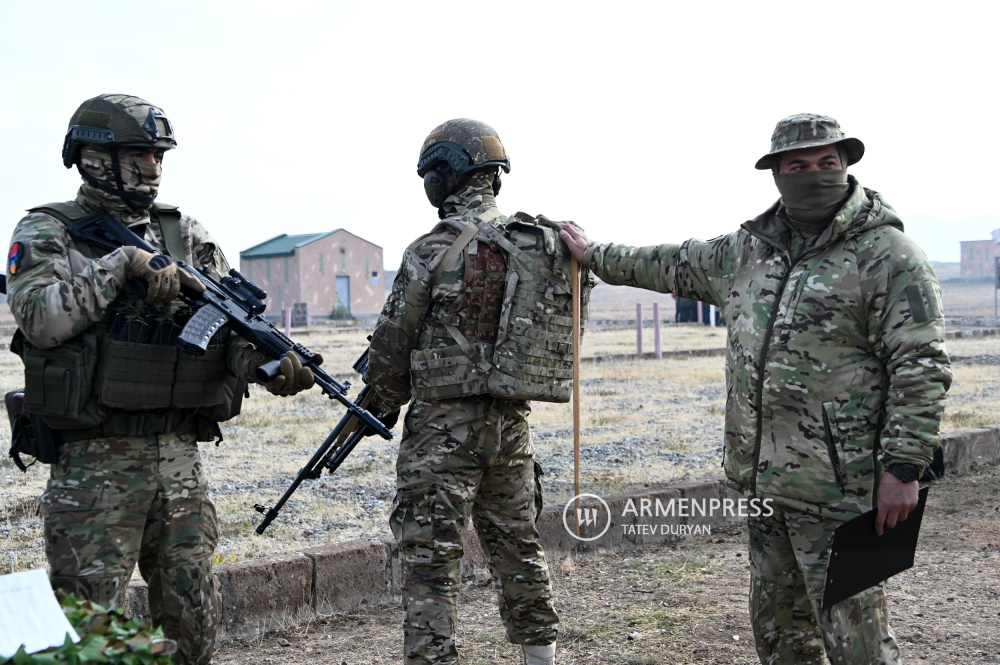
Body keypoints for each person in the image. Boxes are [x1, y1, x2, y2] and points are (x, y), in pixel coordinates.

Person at [559, 113, 952, 665]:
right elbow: (668, 263)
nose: (815, 174)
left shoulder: (889, 256)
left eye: (827, 163)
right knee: (780, 638)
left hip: (846, 493)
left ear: (846, 166)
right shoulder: (745, 252)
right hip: (766, 488)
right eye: (799, 165)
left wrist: (904, 468)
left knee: (858, 644)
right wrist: (593, 253)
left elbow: (922, 364)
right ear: (776, 175)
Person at [5, 94, 316, 665]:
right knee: (88, 625)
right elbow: (41, 321)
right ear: (94, 157)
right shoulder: (50, 231)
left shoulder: (183, 232)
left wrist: (265, 365)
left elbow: (225, 329)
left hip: (179, 458)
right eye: (141, 152)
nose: (154, 165)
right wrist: (120, 264)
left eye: (159, 154)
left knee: (193, 616)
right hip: (95, 463)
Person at [367, 119, 560, 665]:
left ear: (446, 174)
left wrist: (384, 395)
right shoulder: (535, 243)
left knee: (431, 562)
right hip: (510, 426)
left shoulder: (433, 248)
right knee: (519, 548)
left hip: (442, 432)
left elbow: (390, 349)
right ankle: (541, 658)